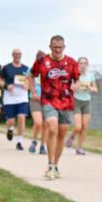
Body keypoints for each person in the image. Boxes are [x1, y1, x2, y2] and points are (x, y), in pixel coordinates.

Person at [31, 36, 80, 179]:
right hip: (49, 100)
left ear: (64, 47)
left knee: (62, 132)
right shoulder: (42, 61)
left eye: (60, 47)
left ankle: (56, 165)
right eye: (55, 47)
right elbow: (31, 75)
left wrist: (76, 85)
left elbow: (77, 79)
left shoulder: (71, 62)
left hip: (66, 101)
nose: (57, 50)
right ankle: (50, 164)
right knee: (52, 127)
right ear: (50, 47)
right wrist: (33, 92)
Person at [0, 48, 30, 150]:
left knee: (21, 117)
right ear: (12, 55)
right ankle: (10, 129)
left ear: (21, 55)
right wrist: (6, 86)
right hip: (9, 97)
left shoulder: (26, 68)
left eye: (19, 54)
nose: (17, 55)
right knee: (11, 120)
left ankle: (19, 142)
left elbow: (29, 81)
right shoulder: (6, 68)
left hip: (22, 97)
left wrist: (27, 85)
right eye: (15, 54)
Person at [66, 56, 98, 154]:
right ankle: (71, 136)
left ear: (87, 65)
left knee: (84, 126)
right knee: (78, 127)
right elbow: (70, 87)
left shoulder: (90, 76)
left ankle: (79, 148)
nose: (82, 65)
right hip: (76, 101)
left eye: (84, 63)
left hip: (86, 102)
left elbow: (95, 89)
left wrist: (90, 88)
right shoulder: (74, 75)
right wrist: (75, 87)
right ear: (77, 65)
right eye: (80, 63)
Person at [28, 51, 47, 155]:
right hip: (35, 99)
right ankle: (34, 141)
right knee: (38, 122)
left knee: (46, 124)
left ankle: (43, 145)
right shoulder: (31, 70)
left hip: (47, 100)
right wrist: (33, 92)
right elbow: (27, 82)